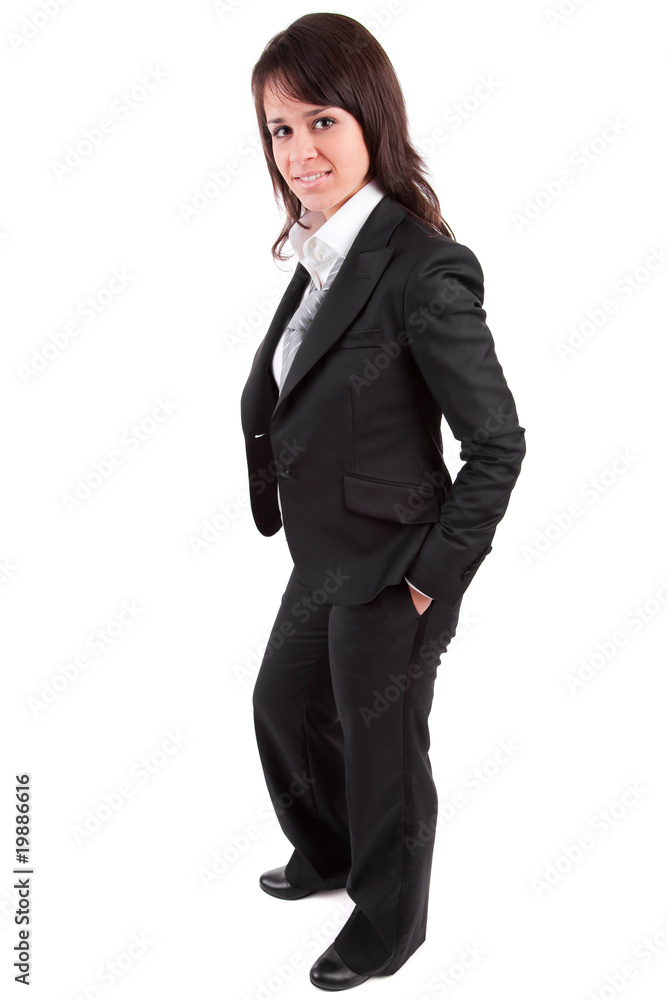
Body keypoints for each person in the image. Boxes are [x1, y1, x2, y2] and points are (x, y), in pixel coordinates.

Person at [240, 12, 526, 991]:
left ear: (370, 118)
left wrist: (428, 581)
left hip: (396, 562)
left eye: (320, 121)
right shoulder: (322, 250)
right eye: (280, 130)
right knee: (282, 706)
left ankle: (386, 926)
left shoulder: (423, 268)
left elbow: (497, 445)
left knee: (382, 752)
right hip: (325, 552)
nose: (299, 152)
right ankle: (328, 852)